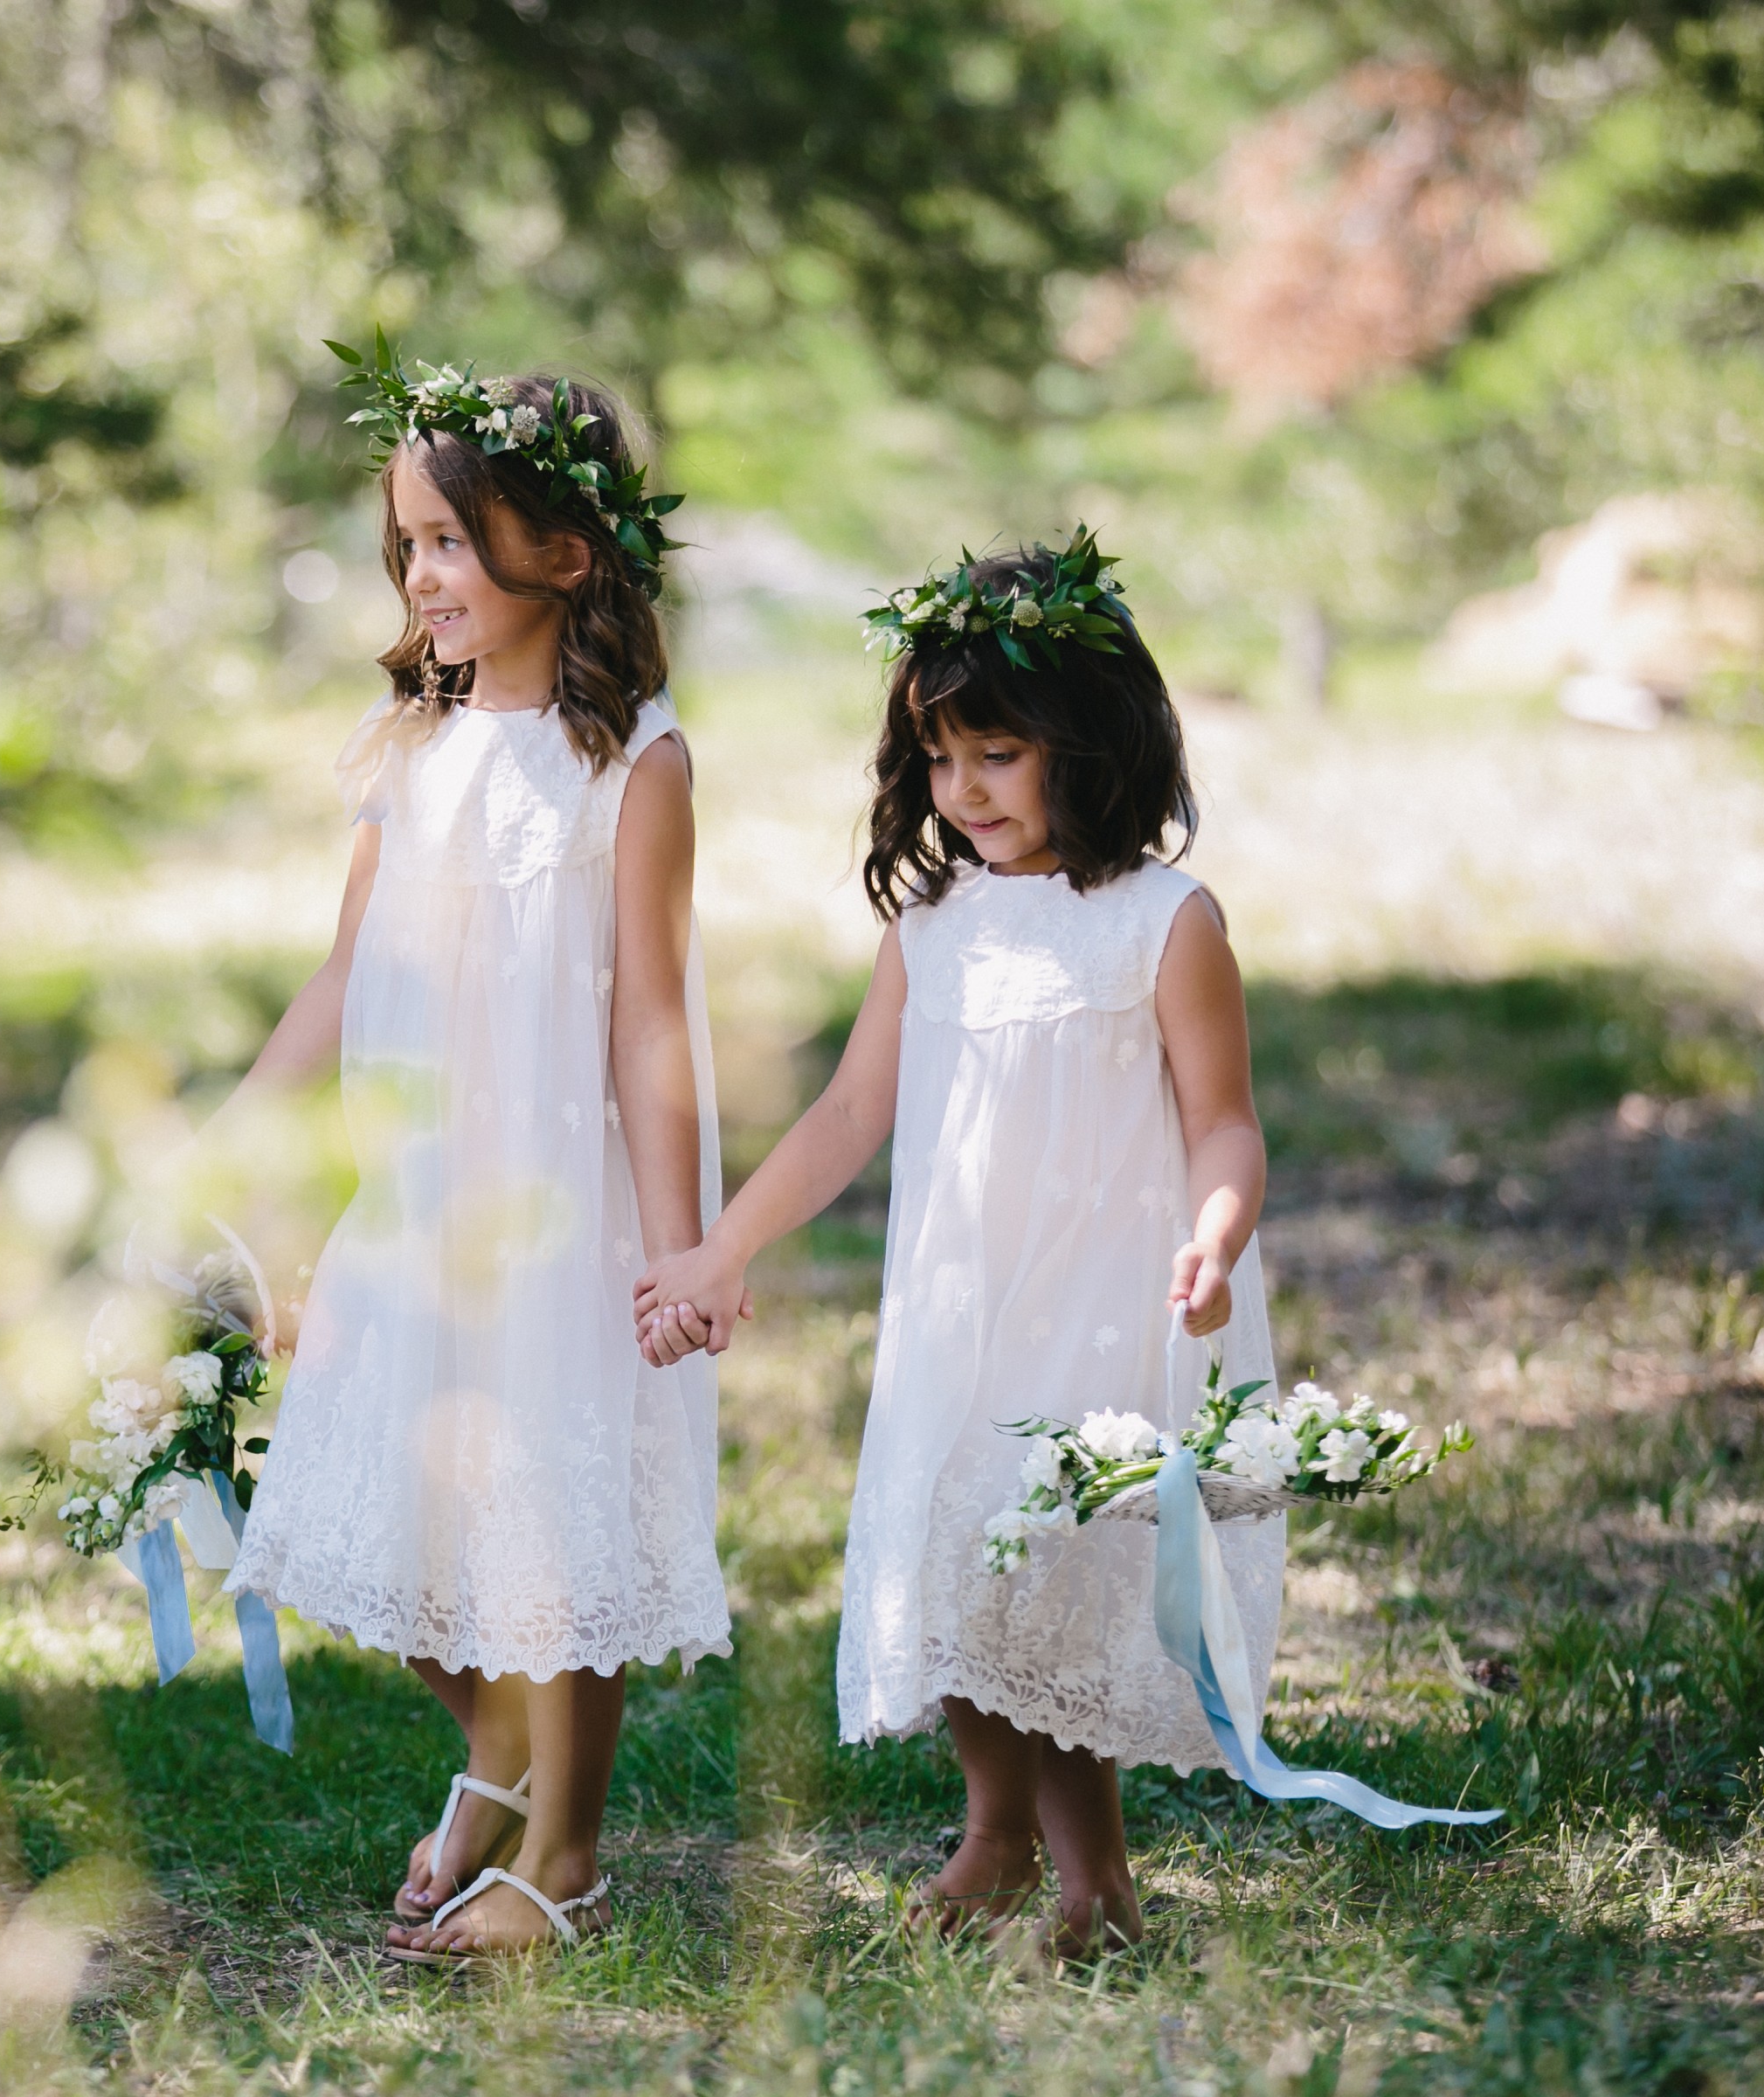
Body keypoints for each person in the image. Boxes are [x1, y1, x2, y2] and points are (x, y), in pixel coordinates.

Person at [633, 529, 1278, 1956]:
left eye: (997, 754)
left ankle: (1095, 1886)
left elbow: (1226, 1122)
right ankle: (992, 1834)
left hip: (1105, 1306)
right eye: (939, 758)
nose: (962, 790)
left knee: (1049, 1575)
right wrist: (724, 1246)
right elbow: (853, 1108)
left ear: (1090, 744)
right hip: (959, 1304)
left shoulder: (1166, 923)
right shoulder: (936, 924)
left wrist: (1218, 1237)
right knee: (956, 1558)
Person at [220, 350, 730, 1964]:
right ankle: (496, 1749)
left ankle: (564, 1856)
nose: (426, 574)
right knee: (372, 1499)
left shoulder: (630, 761)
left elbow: (652, 1017)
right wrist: (232, 1152)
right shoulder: (410, 747)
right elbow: (340, 972)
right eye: (411, 544)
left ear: (564, 555)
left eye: (454, 539)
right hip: (418, 1191)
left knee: (553, 1527)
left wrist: (675, 1241)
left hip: (560, 1204)